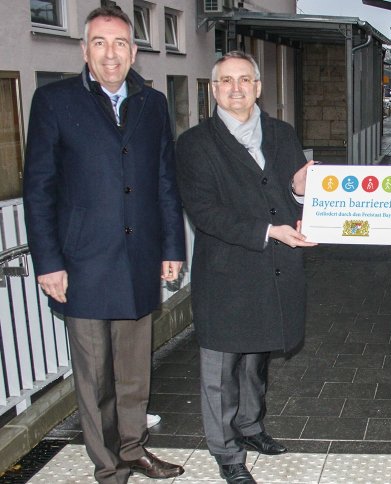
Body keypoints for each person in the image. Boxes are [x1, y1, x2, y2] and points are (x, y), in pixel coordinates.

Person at [22, 6, 186, 483]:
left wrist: (171, 248)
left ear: (134, 51)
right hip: (82, 263)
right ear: (84, 49)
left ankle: (134, 450)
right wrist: (49, 262)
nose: (110, 54)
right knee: (95, 380)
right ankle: (109, 468)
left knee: (135, 372)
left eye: (119, 44)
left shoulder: (151, 103)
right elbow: (39, 189)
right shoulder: (54, 101)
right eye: (99, 43)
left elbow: (164, 181)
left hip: (139, 258)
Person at [175, 51, 315, 484]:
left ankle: (252, 428)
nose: (235, 88)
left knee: (257, 360)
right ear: (213, 90)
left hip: (274, 270)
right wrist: (269, 230)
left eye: (244, 80)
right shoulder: (195, 144)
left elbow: (297, 196)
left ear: (258, 87)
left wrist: (302, 193)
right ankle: (227, 452)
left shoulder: (282, 133)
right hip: (227, 276)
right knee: (220, 372)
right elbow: (205, 213)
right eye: (225, 81)